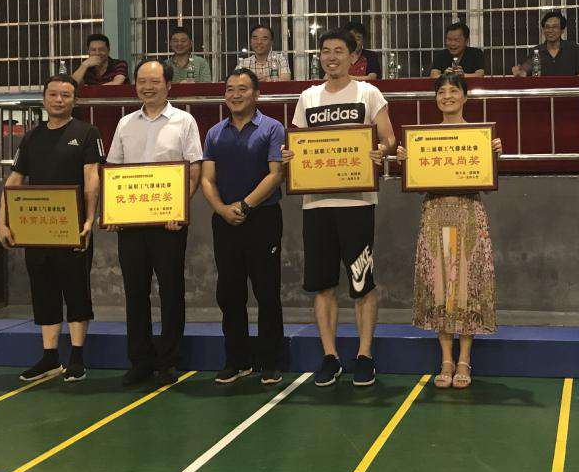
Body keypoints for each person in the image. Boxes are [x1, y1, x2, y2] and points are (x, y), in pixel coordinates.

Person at [282, 29, 395, 388]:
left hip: (357, 202)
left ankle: (365, 355)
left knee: (362, 282)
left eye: (339, 51)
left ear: (352, 56)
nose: (331, 57)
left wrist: (381, 151)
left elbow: (389, 138)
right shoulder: (308, 97)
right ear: (319, 57)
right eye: (325, 51)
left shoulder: (368, 93)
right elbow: (297, 143)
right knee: (322, 285)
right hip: (316, 203)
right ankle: (330, 356)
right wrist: (289, 156)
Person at [397, 73, 501, 389]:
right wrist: (407, 163)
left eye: (454, 90)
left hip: (469, 212)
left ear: (466, 97)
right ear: (435, 99)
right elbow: (418, 185)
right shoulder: (423, 139)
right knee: (441, 285)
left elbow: (486, 178)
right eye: (441, 91)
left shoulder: (481, 137)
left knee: (467, 285)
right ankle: (445, 358)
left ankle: (464, 359)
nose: (447, 96)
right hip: (435, 212)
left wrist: (493, 155)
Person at [0, 75, 104, 382]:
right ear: (44, 99)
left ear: (75, 100)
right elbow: (14, 181)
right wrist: (2, 222)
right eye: (54, 94)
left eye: (66, 95)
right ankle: (49, 357)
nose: (59, 100)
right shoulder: (32, 137)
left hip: (73, 230)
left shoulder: (87, 133)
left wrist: (89, 220)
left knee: (76, 291)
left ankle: (77, 357)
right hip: (36, 229)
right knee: (43, 291)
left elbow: (92, 179)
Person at [106, 59, 203, 386]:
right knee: (135, 292)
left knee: (171, 292)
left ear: (168, 85)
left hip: (168, 224)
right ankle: (140, 361)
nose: (147, 87)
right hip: (131, 224)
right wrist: (112, 212)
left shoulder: (184, 121)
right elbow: (114, 170)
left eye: (155, 81)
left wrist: (180, 210)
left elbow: (193, 171)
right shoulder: (125, 123)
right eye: (142, 81)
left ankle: (169, 361)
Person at [200, 68, 286, 386]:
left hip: (263, 219)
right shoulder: (214, 133)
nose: (235, 95)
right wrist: (222, 209)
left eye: (242, 89)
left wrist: (245, 205)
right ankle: (236, 360)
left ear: (257, 94)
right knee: (229, 293)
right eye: (230, 89)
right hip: (225, 221)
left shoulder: (272, 128)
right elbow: (207, 179)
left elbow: (276, 174)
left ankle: (269, 361)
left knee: (266, 292)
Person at [512, 11, 579, 76]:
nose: (550, 30)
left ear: (562, 30)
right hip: (543, 91)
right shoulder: (536, 52)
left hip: (567, 91)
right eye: (547, 27)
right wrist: (518, 72)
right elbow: (524, 71)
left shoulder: (573, 49)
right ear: (543, 30)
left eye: (555, 27)